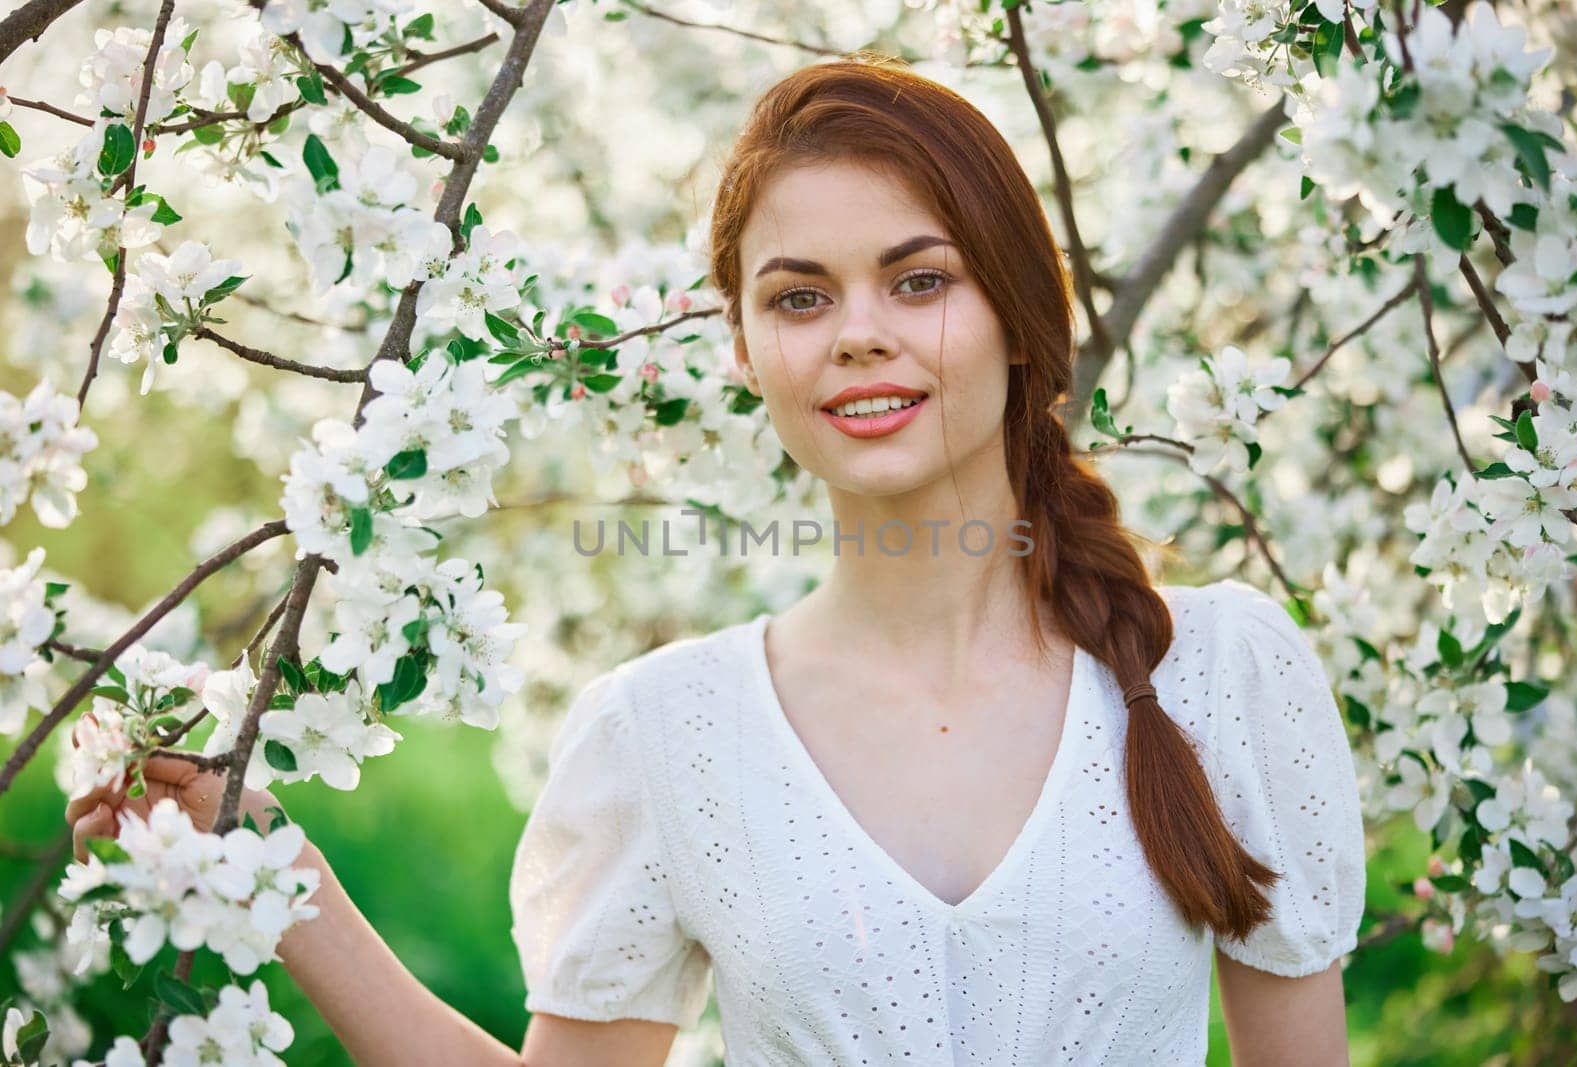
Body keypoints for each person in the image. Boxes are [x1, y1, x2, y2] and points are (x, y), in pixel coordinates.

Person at [67, 51, 1366, 1066]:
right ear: (746, 351)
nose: (859, 335)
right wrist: (264, 862)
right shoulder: (668, 732)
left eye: (919, 280)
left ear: (1019, 311)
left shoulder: (1218, 676)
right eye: (800, 297)